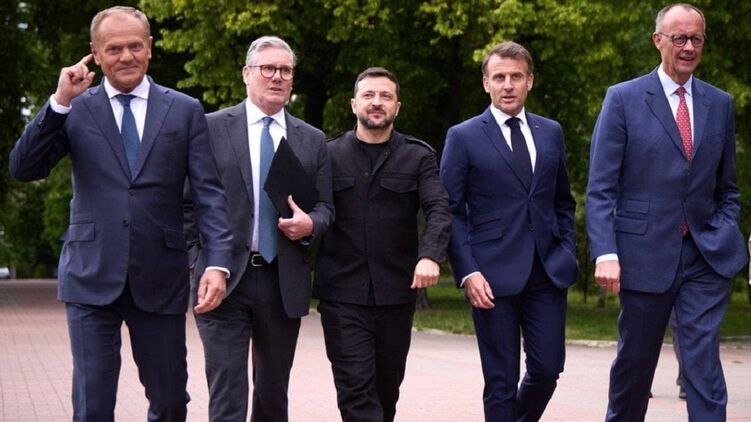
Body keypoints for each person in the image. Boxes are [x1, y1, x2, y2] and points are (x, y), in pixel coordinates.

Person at [8, 6, 233, 422]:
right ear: (95, 53)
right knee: (93, 405)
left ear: (150, 47)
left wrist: (217, 263)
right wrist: (59, 101)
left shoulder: (184, 110)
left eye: (135, 46)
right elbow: (24, 168)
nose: (126, 56)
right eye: (113, 49)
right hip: (90, 276)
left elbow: (209, 195)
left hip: (161, 275)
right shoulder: (75, 108)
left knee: (170, 402)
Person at [585, 4, 747, 421]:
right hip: (642, 256)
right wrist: (605, 252)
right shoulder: (623, 99)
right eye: (679, 38)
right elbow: (601, 189)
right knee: (635, 367)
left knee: (702, 366)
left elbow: (727, 187)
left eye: (696, 39)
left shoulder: (720, 103)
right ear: (658, 41)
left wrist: (724, 228)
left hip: (705, 256)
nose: (689, 47)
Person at [183, 36, 333, 422]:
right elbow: (185, 205)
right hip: (223, 277)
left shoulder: (312, 140)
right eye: (268, 68)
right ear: (246, 74)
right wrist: (198, 261)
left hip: (282, 281)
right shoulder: (210, 128)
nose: (277, 76)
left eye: (285, 70)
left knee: (272, 394)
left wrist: (310, 224)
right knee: (228, 392)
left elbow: (326, 208)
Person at [440, 41, 577, 422]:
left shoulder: (550, 132)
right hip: (490, 277)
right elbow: (450, 210)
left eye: (516, 76)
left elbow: (563, 201)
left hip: (547, 271)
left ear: (529, 81)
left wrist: (565, 248)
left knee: (548, 368)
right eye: (499, 77)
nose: (508, 85)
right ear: (486, 83)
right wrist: (468, 271)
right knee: (501, 380)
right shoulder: (463, 136)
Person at [313, 67, 451, 422]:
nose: (377, 102)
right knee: (356, 393)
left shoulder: (419, 157)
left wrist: (430, 256)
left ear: (397, 106)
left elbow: (438, 208)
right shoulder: (327, 155)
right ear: (353, 104)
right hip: (342, 295)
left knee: (386, 395)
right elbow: (307, 210)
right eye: (369, 95)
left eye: (385, 96)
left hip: (396, 295)